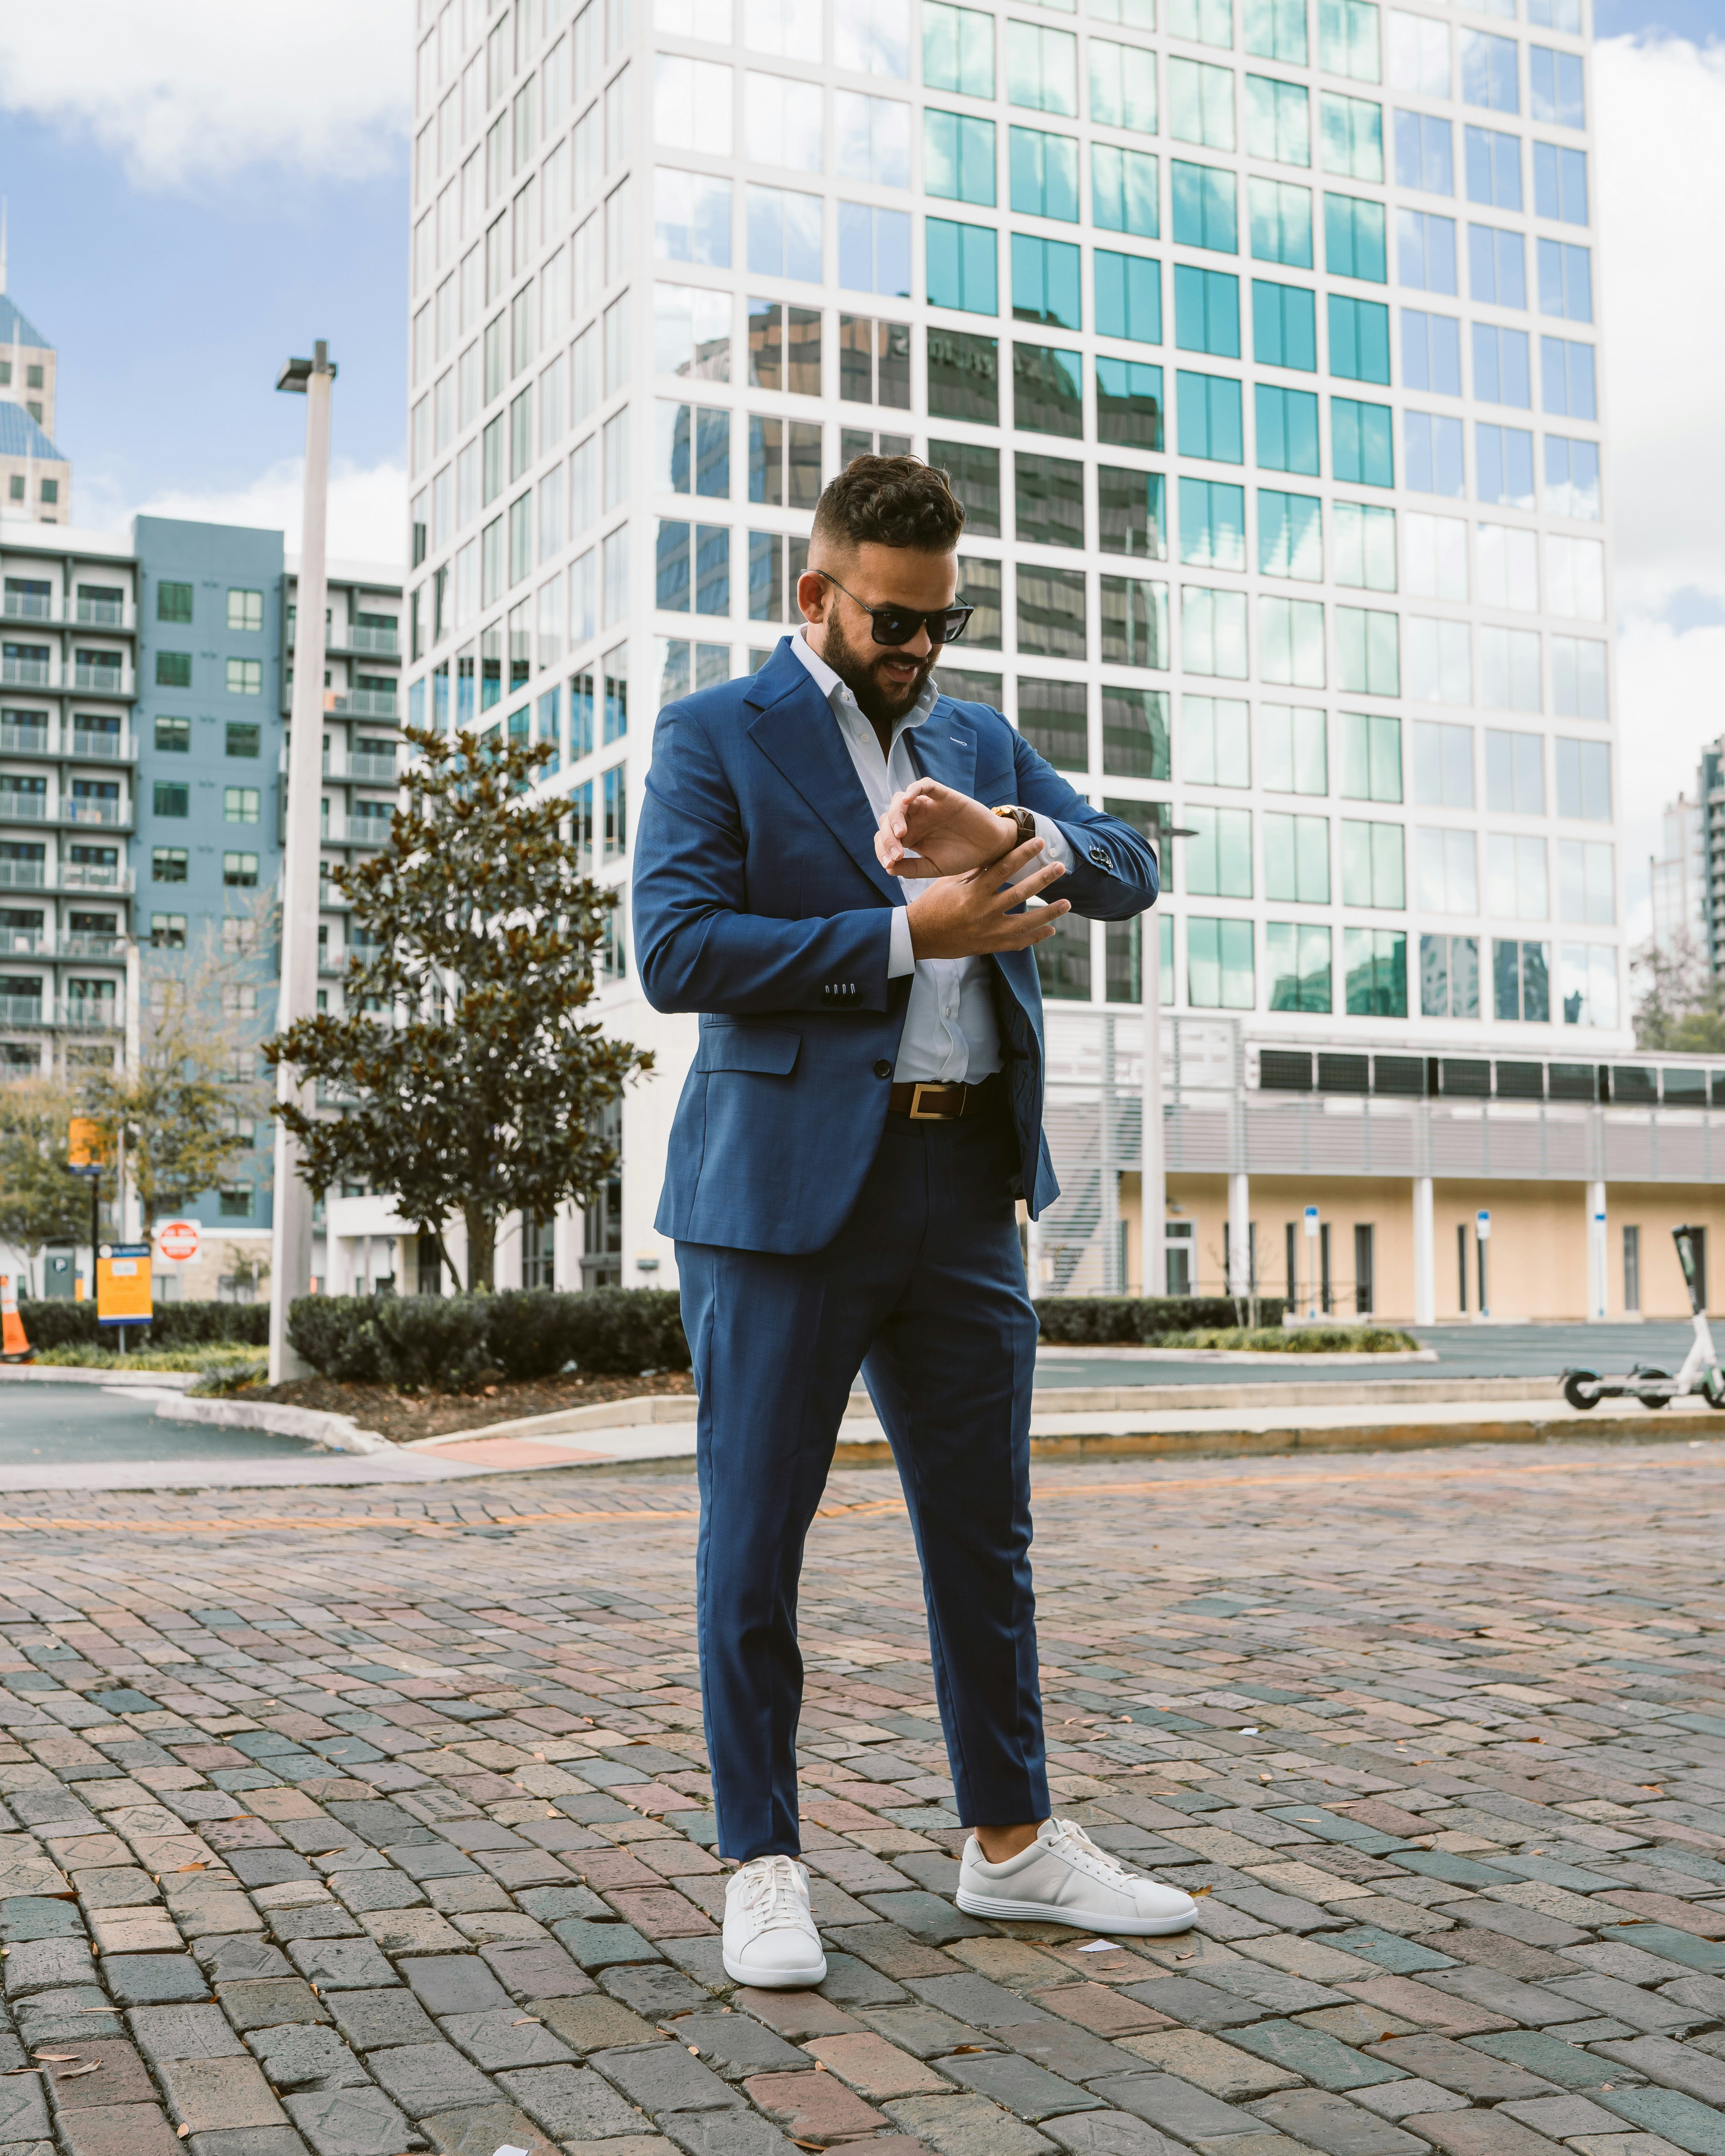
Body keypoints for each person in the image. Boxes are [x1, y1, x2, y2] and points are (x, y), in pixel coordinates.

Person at [632, 456, 1194, 1987]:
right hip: (779, 1200)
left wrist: (1014, 839)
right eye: (895, 620)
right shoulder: (712, 735)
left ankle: (1010, 1842)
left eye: (944, 620)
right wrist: (906, 932)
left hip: (965, 1186)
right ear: (814, 594)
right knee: (756, 1538)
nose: (922, 647)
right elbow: (677, 949)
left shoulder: (976, 740)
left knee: (984, 1534)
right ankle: (762, 1860)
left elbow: (1130, 862)